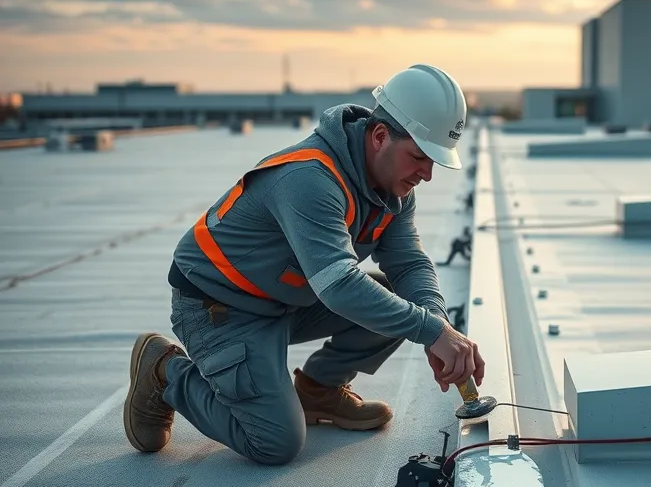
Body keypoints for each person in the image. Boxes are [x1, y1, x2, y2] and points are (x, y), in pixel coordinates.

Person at [122, 64, 485, 466]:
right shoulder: (309, 179)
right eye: (419, 157)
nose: (427, 175)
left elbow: (410, 264)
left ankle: (319, 390)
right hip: (220, 308)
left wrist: (439, 325)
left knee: (400, 299)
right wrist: (430, 331)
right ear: (380, 136)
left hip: (285, 299)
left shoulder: (392, 189)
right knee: (274, 443)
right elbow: (339, 285)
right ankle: (164, 371)